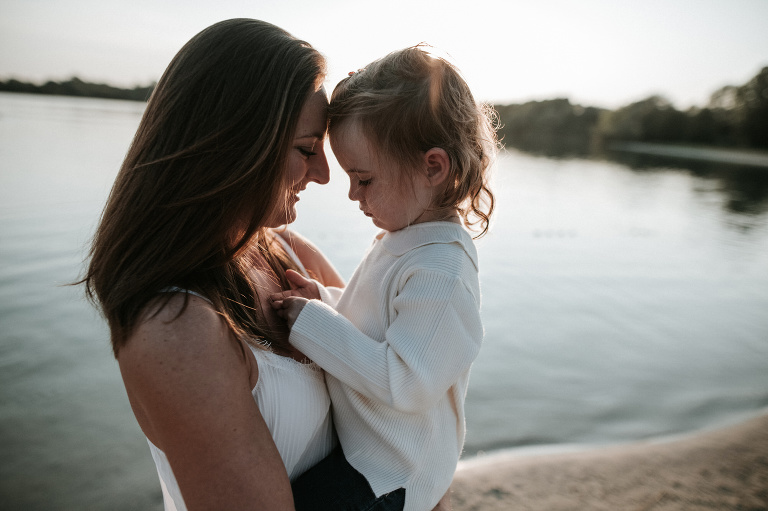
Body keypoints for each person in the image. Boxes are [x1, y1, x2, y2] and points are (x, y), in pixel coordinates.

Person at [81, 19, 345, 510]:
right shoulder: (175, 328)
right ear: (236, 143)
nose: (325, 174)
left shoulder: (291, 254)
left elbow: (403, 371)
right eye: (307, 149)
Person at [270, 45, 498, 511]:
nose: (351, 193)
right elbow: (379, 324)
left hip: (391, 479)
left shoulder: (444, 270)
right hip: (369, 458)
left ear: (432, 167)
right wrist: (329, 300)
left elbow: (405, 383)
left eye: (365, 178)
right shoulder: (409, 237)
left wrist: (312, 322)